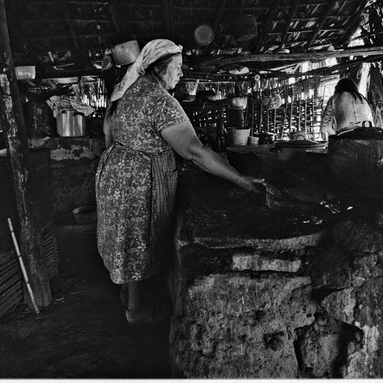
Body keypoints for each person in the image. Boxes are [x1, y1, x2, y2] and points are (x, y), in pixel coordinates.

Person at [96, 39, 264, 324]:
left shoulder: (126, 91)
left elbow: (107, 134)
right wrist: (240, 179)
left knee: (122, 236)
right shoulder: (159, 101)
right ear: (160, 69)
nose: (181, 74)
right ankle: (136, 311)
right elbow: (194, 151)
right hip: (137, 180)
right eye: (177, 67)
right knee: (137, 238)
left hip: (114, 173)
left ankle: (126, 296)